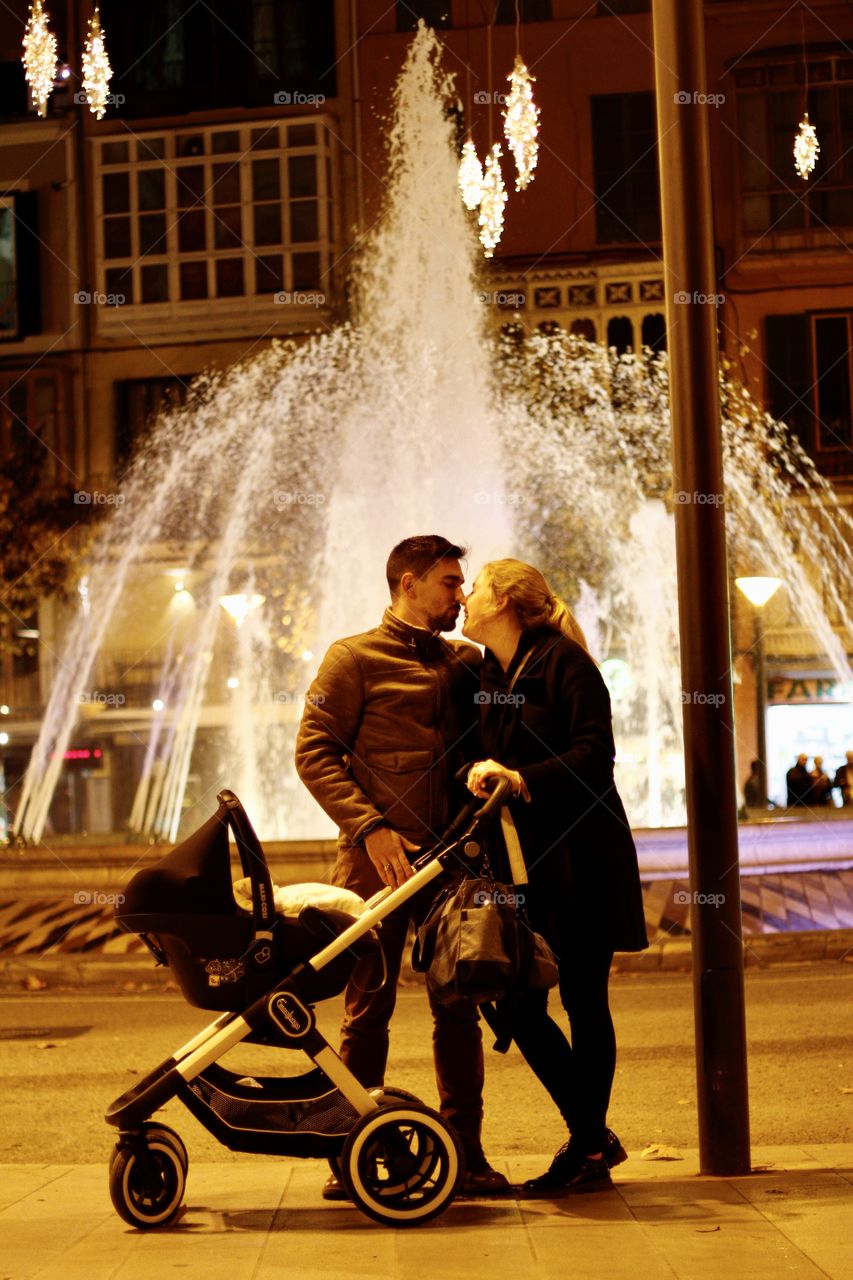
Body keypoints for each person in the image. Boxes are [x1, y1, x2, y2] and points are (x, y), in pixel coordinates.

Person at [295, 534, 510, 1198]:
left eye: (462, 583)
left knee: (459, 1007)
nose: (460, 595)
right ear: (408, 583)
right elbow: (313, 752)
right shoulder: (352, 658)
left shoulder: (466, 663)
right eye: (449, 582)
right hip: (376, 864)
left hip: (452, 862)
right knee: (366, 1011)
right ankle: (349, 1155)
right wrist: (370, 829)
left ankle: (466, 1154)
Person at [462, 558, 648, 1196]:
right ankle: (592, 1138)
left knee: (584, 999)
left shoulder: (565, 663)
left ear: (504, 601)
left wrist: (520, 779)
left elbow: (596, 757)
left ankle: (588, 1150)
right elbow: (486, 751)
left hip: (585, 859)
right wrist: (477, 771)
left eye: (475, 588)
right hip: (529, 866)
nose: (465, 597)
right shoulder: (492, 671)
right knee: (515, 1003)